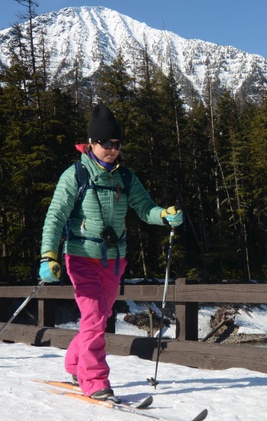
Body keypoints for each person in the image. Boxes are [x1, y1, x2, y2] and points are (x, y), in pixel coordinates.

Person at [38, 104, 183, 402]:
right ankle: (94, 380)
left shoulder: (125, 177)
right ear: (92, 143)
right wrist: (48, 256)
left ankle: (75, 364)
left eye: (117, 144)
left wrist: (164, 215)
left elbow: (145, 208)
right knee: (93, 317)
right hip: (81, 256)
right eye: (107, 144)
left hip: (115, 260)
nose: (113, 150)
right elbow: (55, 217)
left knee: (100, 316)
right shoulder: (75, 175)